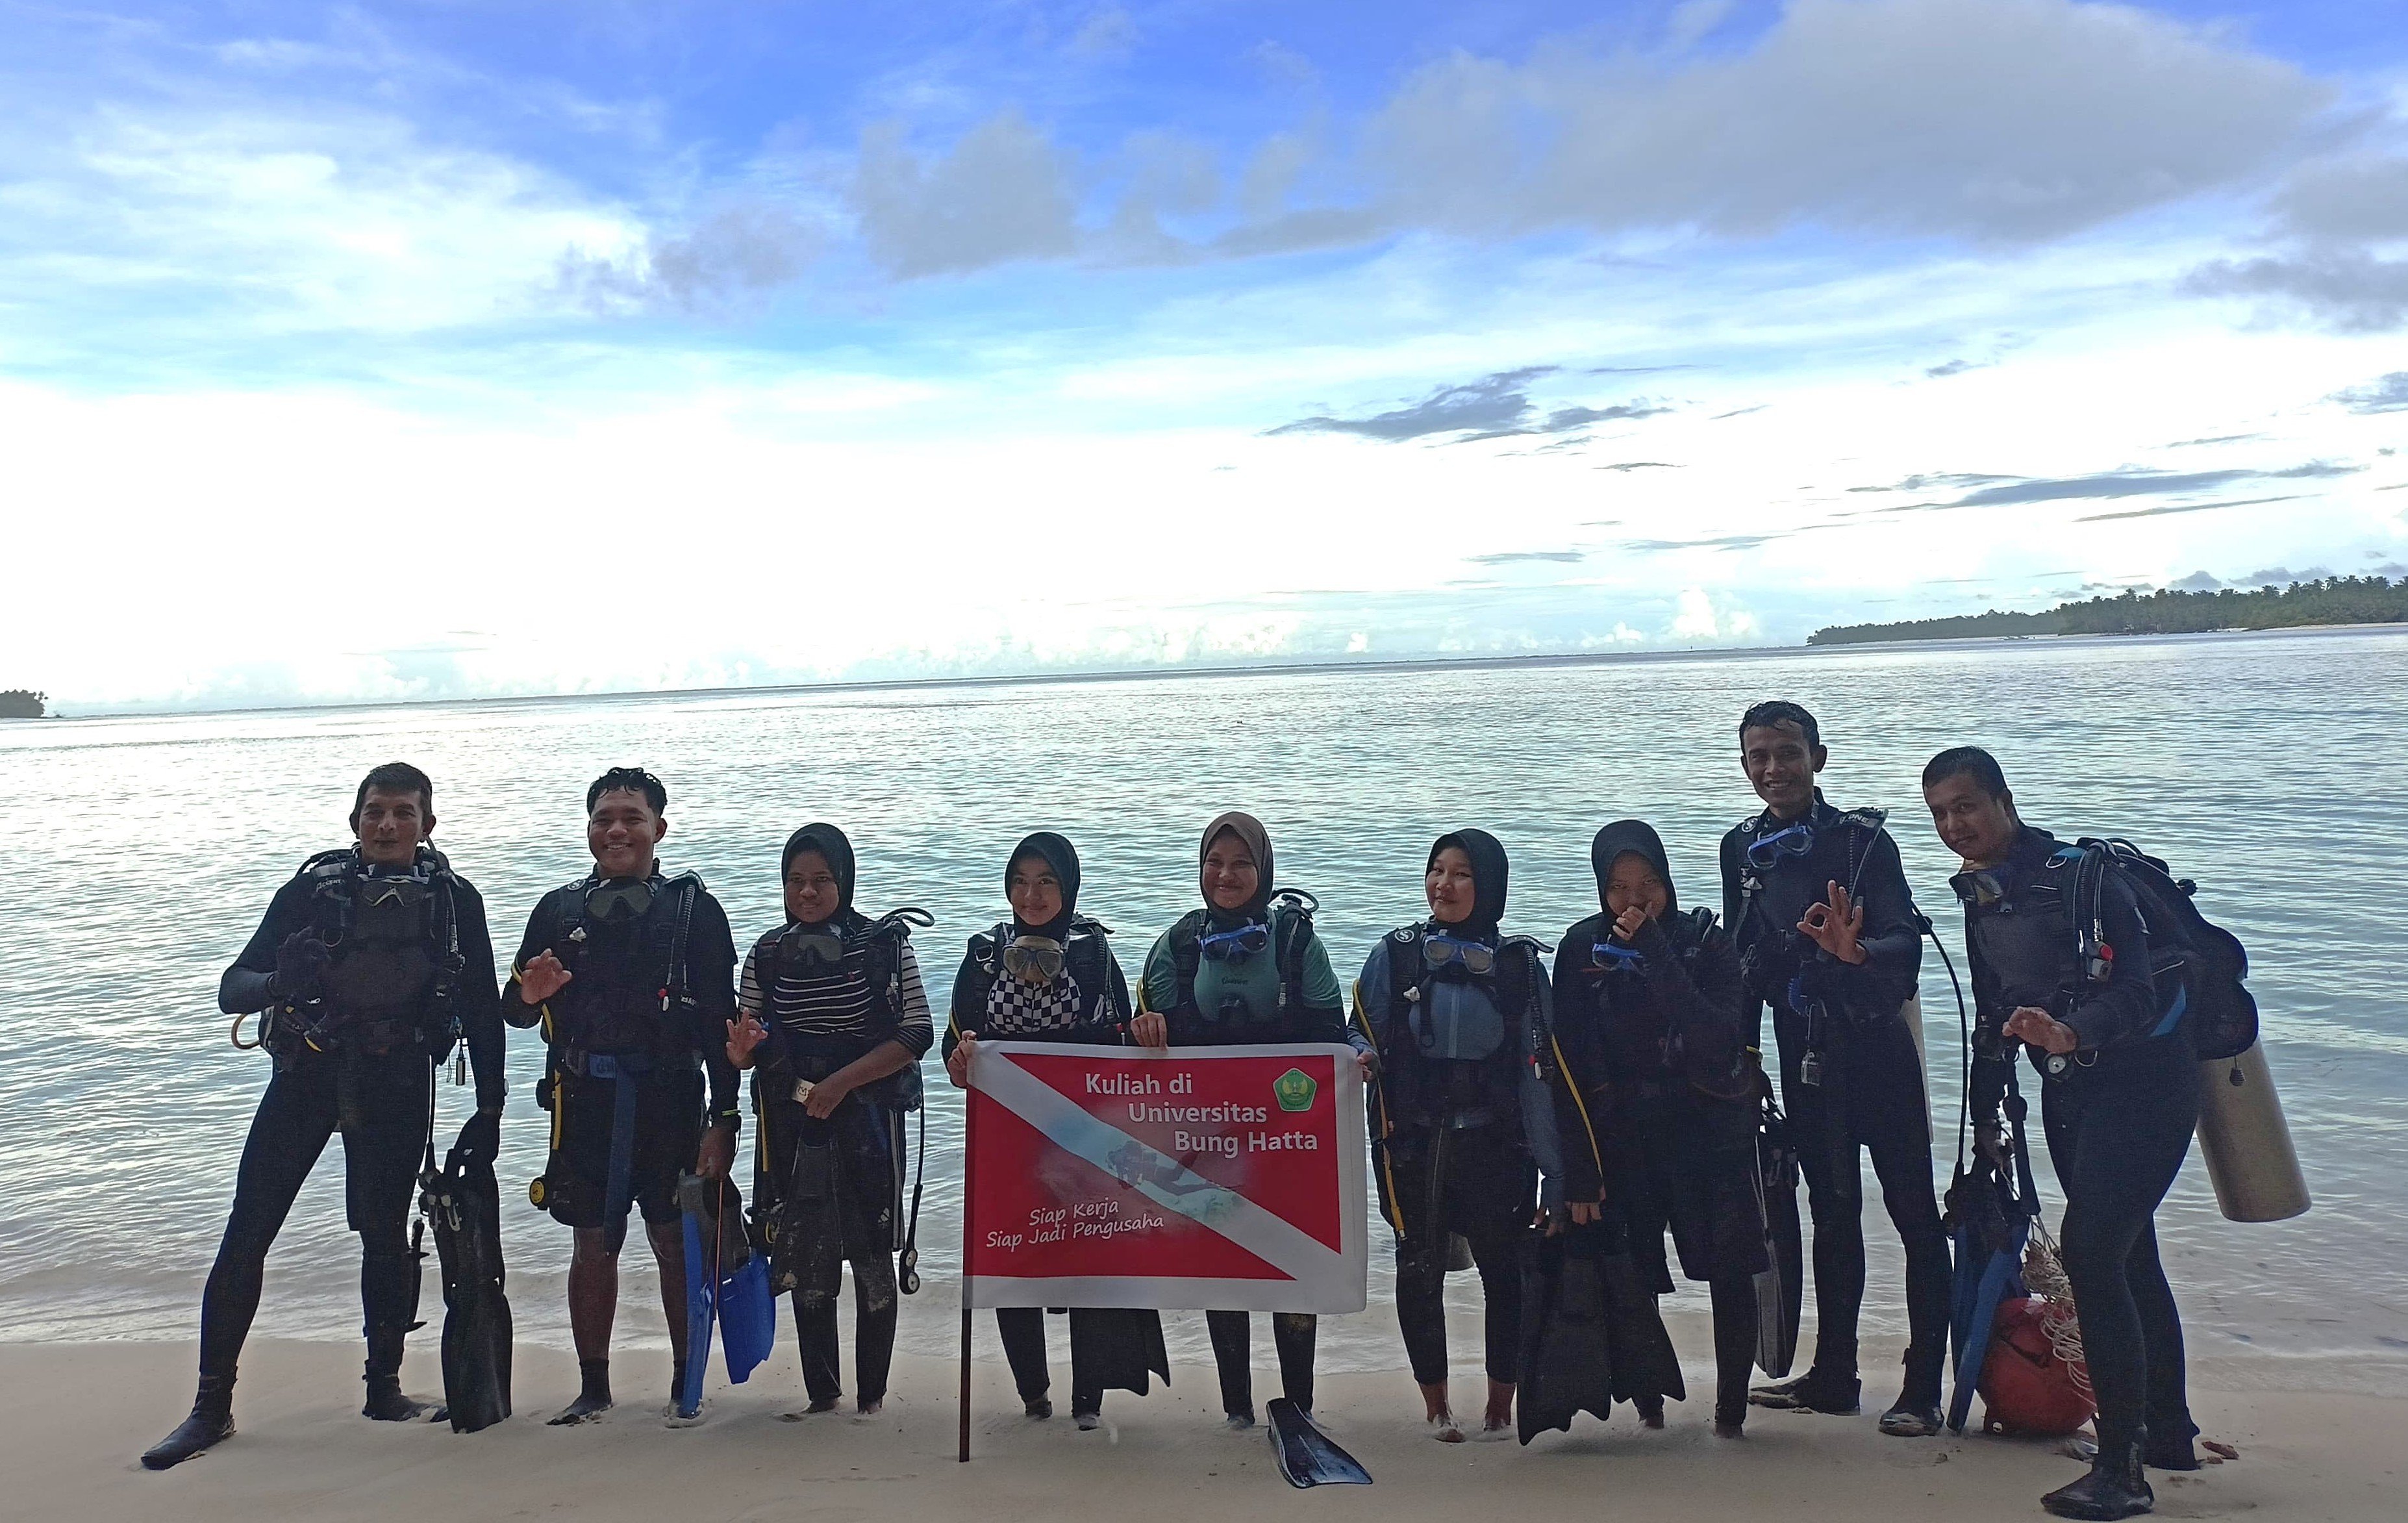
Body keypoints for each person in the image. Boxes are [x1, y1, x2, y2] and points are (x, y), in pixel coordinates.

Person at [142, 762, 506, 1469]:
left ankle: (384, 1390)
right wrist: (280, 980)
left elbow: (484, 1009)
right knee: (249, 1230)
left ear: (428, 825)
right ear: (355, 821)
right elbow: (231, 988)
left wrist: (490, 1108)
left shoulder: (455, 900)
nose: (387, 825)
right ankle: (210, 1408)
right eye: (375, 811)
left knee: (385, 1235)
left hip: (398, 1078)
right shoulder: (313, 891)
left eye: (403, 812)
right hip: (308, 1071)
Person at [1924, 747, 2199, 1520]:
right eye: (1939, 812)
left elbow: (2138, 994)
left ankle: (2121, 1469)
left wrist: (2072, 1031)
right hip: (2070, 1090)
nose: (1954, 824)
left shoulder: (2087, 879)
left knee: (2092, 1251)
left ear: (2004, 800)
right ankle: (2167, 1434)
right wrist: (1985, 1119)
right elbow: (1993, 1013)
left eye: (1966, 805)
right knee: (2128, 1253)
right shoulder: (1981, 894)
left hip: (2147, 1083)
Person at [1720, 700, 1949, 1435]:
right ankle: (1834, 1376)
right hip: (1806, 1057)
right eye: (1759, 756)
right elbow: (1739, 967)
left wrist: (1857, 953)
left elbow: (1906, 948)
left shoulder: (1862, 842)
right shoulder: (1740, 849)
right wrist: (1741, 1059)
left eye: (1788, 752)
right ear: (1744, 765)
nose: (1773, 769)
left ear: (1818, 758)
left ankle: (1923, 1387)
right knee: (1831, 1212)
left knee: (1914, 1213)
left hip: (1878, 1050)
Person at [508, 766, 740, 1426]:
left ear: (658, 828)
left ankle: (685, 1383)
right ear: (588, 829)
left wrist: (725, 1118)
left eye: (632, 818)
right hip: (584, 1101)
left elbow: (721, 1023)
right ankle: (594, 1387)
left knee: (673, 1239)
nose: (617, 830)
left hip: (670, 1099)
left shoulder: (694, 911)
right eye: (603, 818)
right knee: (592, 1244)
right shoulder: (558, 910)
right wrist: (528, 994)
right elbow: (513, 1010)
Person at [1131, 811, 1370, 1429]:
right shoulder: (1179, 944)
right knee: (1225, 1265)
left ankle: (1300, 1404)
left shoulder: (1295, 942)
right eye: (1215, 862)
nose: (1226, 875)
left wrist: (1358, 1055)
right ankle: (1236, 1408)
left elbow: (1333, 1029)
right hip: (1208, 1139)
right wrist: (1144, 1028)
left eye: (1241, 863)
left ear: (1263, 870)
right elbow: (1137, 1037)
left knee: (1294, 1262)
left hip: (1288, 1138)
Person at [1549, 820, 1764, 1439]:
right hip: (1624, 1138)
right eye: (1619, 886)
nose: (1634, 899)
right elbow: (1565, 1066)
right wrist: (1577, 1170)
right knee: (1632, 1272)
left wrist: (1655, 951)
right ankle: (1650, 1402)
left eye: (1647, 883)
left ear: (1667, 880)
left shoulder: (1705, 943)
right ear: (1601, 888)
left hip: (1708, 1133)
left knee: (1730, 1270)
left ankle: (1731, 1412)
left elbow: (1717, 1035)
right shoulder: (1581, 948)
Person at [943, 831, 1163, 1431]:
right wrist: (962, 1059)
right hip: (1007, 1140)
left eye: (1046, 882)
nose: (1031, 895)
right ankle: (1033, 1391)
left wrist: (1144, 1033)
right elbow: (954, 1047)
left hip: (1086, 1138)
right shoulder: (984, 954)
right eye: (1020, 881)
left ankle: (1089, 1397)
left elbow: (1120, 1039)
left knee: (1088, 1253)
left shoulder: (1093, 953)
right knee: (1013, 1253)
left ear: (1068, 888)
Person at [1355, 829, 1563, 1441]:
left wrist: (1556, 1173)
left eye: (1462, 874)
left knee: (1505, 1273)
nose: (1443, 885)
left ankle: (1500, 1405)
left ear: (1490, 886)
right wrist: (1362, 1054)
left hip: (1496, 1146)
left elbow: (1540, 1079)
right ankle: (1436, 1405)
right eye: (1437, 870)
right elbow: (1358, 1029)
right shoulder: (1396, 955)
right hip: (1413, 1145)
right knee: (1419, 1268)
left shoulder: (1520, 968)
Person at [724, 824, 931, 1417]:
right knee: (803, 1247)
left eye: (821, 880)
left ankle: (872, 1397)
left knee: (872, 1251)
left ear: (845, 880)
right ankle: (823, 1394)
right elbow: (746, 1039)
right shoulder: (767, 952)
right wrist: (739, 1054)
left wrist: (843, 1083)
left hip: (868, 1115)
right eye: (795, 881)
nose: (807, 892)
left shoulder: (884, 945)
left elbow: (917, 1031)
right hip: (793, 1119)